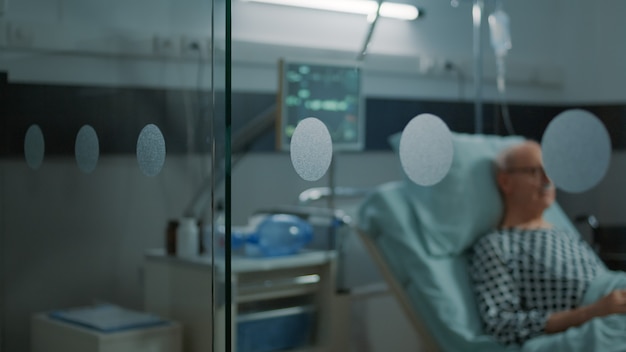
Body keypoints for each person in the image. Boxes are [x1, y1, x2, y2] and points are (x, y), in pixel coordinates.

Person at [468, 140, 626, 346]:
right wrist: (592, 312)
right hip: (597, 318)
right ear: (506, 182)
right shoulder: (497, 245)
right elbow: (502, 324)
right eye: (535, 171)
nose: (547, 180)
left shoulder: (564, 233)